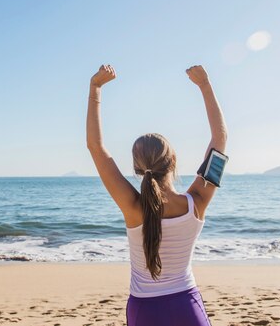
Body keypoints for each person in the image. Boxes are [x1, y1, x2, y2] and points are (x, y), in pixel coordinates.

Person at [86, 64, 228, 326]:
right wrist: (205, 85)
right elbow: (220, 138)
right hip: (186, 305)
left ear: (137, 168)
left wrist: (95, 88)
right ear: (173, 161)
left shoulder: (132, 206)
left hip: (144, 310)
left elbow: (96, 148)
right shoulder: (196, 202)